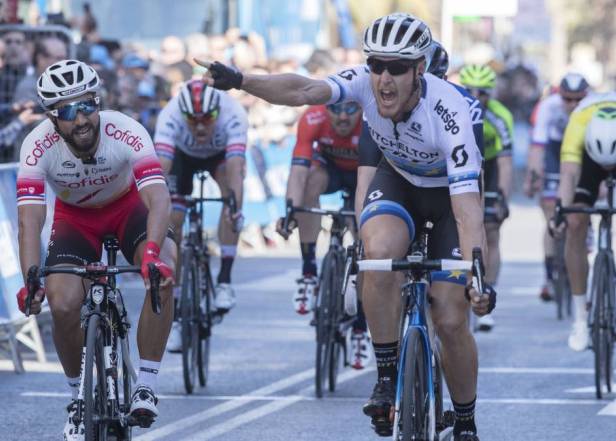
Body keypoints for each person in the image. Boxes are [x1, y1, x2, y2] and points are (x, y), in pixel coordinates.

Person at [197, 13, 492, 441]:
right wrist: (241, 80)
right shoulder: (362, 83)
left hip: (447, 199)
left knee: (449, 317)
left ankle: (465, 421)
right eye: (376, 64)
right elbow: (302, 89)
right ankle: (387, 374)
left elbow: (468, 210)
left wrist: (477, 274)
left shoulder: (451, 113)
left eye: (396, 68)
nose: (383, 79)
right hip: (400, 184)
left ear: (420, 70)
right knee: (378, 252)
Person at [15, 59, 176, 440]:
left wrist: (152, 252)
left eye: (87, 104)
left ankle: (147, 383)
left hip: (128, 209)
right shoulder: (37, 146)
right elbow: (29, 221)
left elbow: (157, 198)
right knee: (64, 302)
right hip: (76, 220)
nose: (81, 118)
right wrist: (31, 280)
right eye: (67, 111)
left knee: (165, 270)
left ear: (99, 101)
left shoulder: (127, 131)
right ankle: (77, 400)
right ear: (53, 119)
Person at [275, 100, 372, 369]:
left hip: (364, 176)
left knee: (367, 244)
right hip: (329, 171)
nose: (342, 117)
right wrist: (290, 211)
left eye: (350, 111)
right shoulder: (313, 117)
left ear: (361, 110)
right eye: (336, 110)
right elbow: (298, 171)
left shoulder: (370, 123)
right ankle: (308, 271)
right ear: (325, 109)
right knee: (310, 182)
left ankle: (362, 328)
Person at [154, 79, 247, 352]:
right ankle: (179, 312)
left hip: (219, 158)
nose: (201, 126)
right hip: (181, 159)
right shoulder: (169, 116)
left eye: (208, 118)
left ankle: (225, 280)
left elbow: (236, 168)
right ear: (182, 115)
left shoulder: (234, 114)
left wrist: (235, 207)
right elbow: (160, 169)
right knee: (173, 221)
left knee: (231, 200)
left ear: (218, 111)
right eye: (193, 120)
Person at [553, 93, 616, 351]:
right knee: (575, 221)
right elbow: (568, 175)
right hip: (589, 162)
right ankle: (580, 317)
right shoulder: (579, 120)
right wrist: (561, 212)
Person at [523, 73, 590, 301]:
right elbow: (537, 148)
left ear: (586, 96)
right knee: (551, 210)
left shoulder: (590, 109)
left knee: (582, 202)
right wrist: (533, 177)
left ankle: (585, 235)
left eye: (577, 99)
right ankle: (549, 276)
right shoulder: (548, 107)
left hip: (583, 148)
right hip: (554, 149)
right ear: (559, 95)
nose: (572, 104)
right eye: (567, 99)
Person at [459, 64, 513, 332]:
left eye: (483, 93)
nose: (476, 96)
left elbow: (505, 162)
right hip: (464, 164)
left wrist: (502, 195)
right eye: (470, 90)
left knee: (490, 231)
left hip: (489, 167)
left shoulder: (500, 117)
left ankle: (487, 290)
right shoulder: (456, 108)